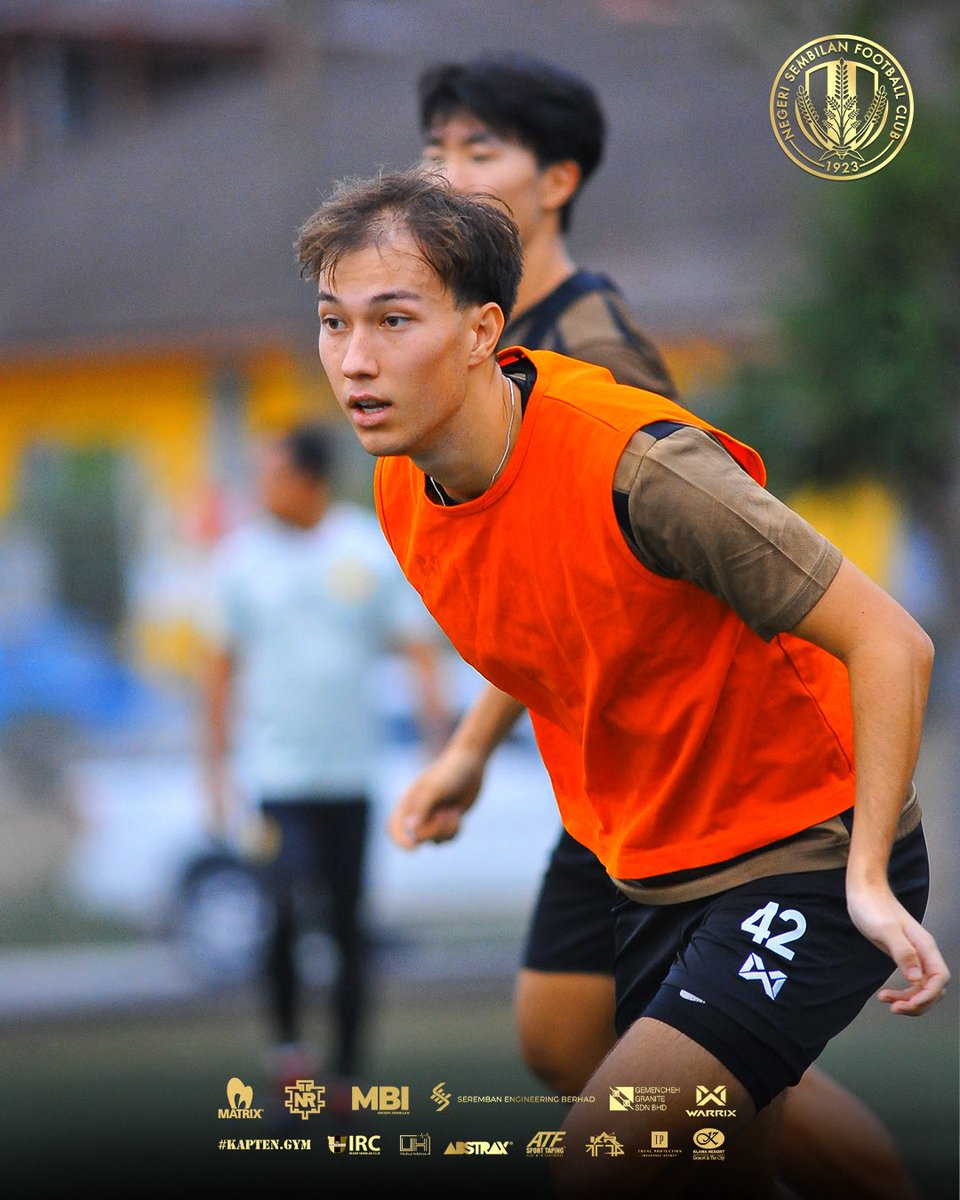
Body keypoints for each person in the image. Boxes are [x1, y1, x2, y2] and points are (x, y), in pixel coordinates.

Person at [294, 168, 948, 1196]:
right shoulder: (400, 485)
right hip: (649, 873)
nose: (355, 360)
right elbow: (561, 626)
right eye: (333, 323)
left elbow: (893, 642)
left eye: (392, 319)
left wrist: (864, 874)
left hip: (800, 857)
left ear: (481, 331)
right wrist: (465, 754)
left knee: (603, 1166)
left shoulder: (643, 470)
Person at [200, 422, 446, 1108]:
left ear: (308, 481)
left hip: (351, 777)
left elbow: (415, 646)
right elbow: (216, 671)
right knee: (282, 901)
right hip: (274, 781)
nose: (261, 488)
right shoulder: (239, 560)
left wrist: (440, 750)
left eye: (272, 474)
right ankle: (287, 1053)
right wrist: (213, 771)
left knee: (347, 922)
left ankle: (344, 1074)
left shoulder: (362, 548)